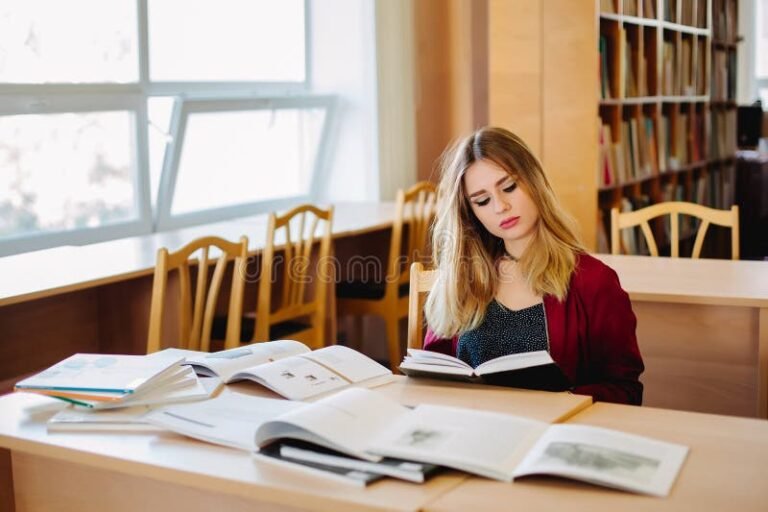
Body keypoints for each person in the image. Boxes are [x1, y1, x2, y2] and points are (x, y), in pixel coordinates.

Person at [423, 126, 644, 405]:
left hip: (553, 436)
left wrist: (560, 402)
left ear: (534, 181)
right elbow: (432, 375)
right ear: (471, 213)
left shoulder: (594, 281)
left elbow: (625, 390)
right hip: (474, 434)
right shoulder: (461, 279)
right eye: (482, 201)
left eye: (509, 187)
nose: (500, 206)